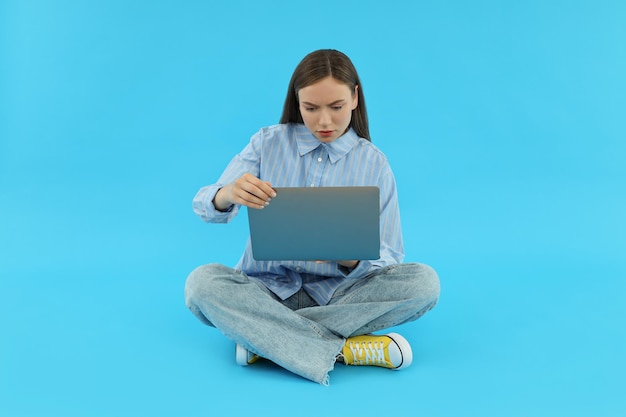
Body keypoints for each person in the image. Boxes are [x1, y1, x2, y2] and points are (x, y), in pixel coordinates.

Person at [184, 49, 440, 386]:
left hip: (340, 295)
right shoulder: (266, 143)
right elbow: (204, 206)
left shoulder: (374, 163)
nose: (324, 122)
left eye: (335, 107)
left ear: (354, 98)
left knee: (424, 283)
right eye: (311, 108)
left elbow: (390, 254)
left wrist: (348, 257)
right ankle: (343, 350)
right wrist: (228, 193)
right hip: (267, 290)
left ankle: (265, 339)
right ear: (297, 101)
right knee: (201, 284)